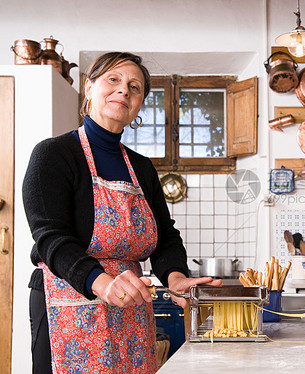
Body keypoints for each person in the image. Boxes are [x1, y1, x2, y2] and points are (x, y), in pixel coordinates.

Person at [23, 51, 221, 374]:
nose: (124, 90)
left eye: (135, 87)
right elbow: (51, 239)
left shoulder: (141, 168)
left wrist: (176, 277)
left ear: (139, 104)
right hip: (68, 301)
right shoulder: (54, 155)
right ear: (89, 88)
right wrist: (101, 283)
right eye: (113, 80)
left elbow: (165, 237)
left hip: (130, 308)